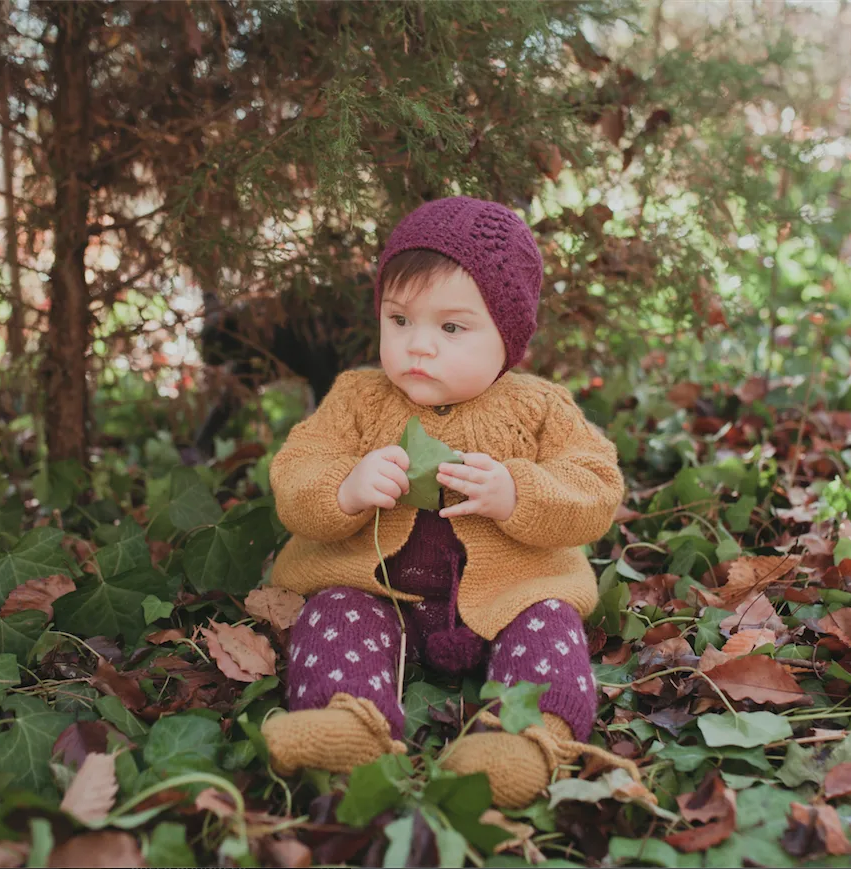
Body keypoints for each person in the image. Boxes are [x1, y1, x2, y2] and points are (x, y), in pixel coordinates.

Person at [259, 195, 630, 808]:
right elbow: (298, 468)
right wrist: (345, 488)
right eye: (399, 319)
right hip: (381, 594)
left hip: (510, 596)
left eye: (451, 327)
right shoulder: (357, 398)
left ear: (507, 338)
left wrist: (519, 493)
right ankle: (348, 719)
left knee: (550, 628)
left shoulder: (538, 407)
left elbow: (594, 487)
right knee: (333, 612)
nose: (418, 346)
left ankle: (524, 738)